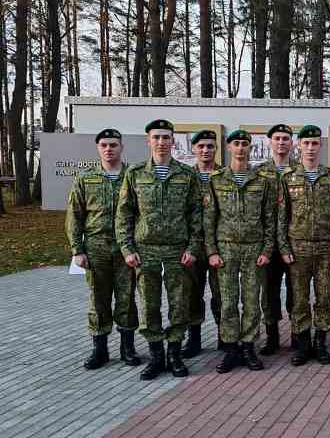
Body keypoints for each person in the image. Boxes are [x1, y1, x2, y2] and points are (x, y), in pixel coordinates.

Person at [116, 119, 202, 380]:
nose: (162, 142)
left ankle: (174, 354)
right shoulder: (135, 173)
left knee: (179, 303)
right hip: (146, 249)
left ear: (173, 141)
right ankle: (156, 356)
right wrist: (127, 248)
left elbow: (196, 214)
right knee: (148, 306)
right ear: (148, 141)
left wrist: (193, 246)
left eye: (166, 137)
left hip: (178, 249)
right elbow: (124, 214)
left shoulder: (187, 175)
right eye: (157, 137)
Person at [65, 129, 141, 370]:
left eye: (114, 145)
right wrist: (77, 249)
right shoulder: (86, 179)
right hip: (96, 248)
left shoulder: (134, 176)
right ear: (98, 148)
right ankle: (100, 350)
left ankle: (127, 348)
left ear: (122, 147)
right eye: (105, 145)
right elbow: (74, 217)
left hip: (126, 248)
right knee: (98, 299)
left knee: (127, 298)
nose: (109, 149)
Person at [206, 130, 278, 373]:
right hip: (225, 250)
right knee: (227, 302)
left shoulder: (262, 181)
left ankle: (248, 347)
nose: (240, 148)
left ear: (250, 148)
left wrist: (267, 249)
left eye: (244, 144)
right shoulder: (216, 180)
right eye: (236, 144)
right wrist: (212, 251)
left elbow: (270, 218)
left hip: (253, 249)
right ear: (228, 147)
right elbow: (209, 219)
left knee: (251, 302)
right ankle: (230, 349)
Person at [278, 124, 330, 366]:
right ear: (299, 146)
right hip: (297, 250)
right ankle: (302, 344)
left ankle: (320, 342)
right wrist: (284, 248)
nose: (310, 147)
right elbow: (281, 217)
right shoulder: (288, 178)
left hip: (325, 249)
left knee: (323, 298)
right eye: (306, 143)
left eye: (315, 143)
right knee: (298, 298)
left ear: (321, 145)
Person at [182, 129, 223, 357]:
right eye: (201, 146)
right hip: (193, 247)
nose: (206, 150)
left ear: (216, 149)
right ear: (194, 149)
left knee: (221, 294)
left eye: (210, 146)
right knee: (192, 293)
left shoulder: (225, 175)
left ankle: (223, 337)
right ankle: (194, 339)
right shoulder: (186, 177)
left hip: (219, 247)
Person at [258, 124, 298, 355]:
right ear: (269, 142)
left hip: (294, 243)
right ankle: (271, 337)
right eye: (277, 138)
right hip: (268, 245)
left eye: (286, 139)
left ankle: (296, 334)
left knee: (296, 291)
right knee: (269, 292)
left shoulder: (301, 170)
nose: (281, 142)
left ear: (292, 143)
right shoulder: (260, 172)